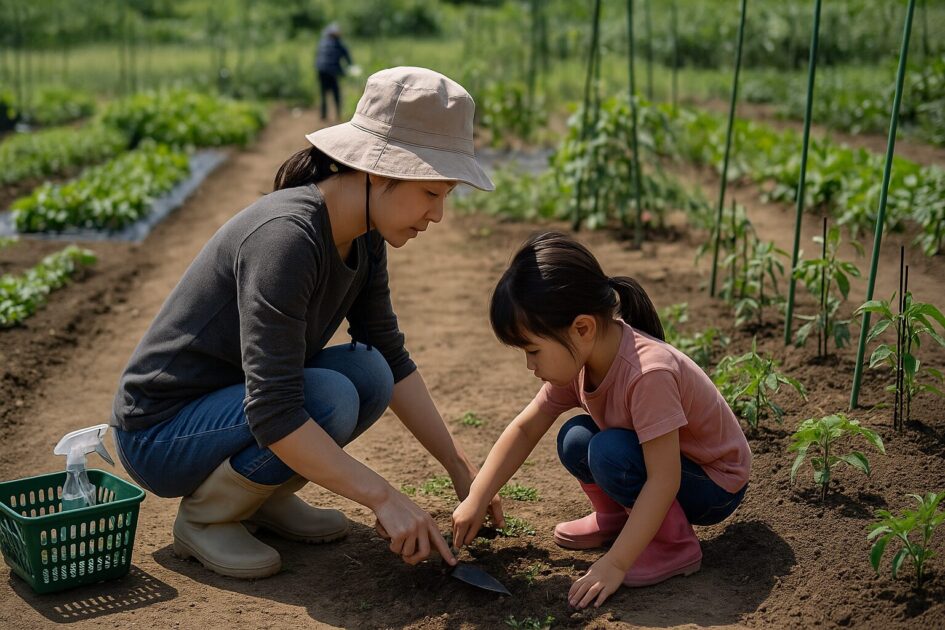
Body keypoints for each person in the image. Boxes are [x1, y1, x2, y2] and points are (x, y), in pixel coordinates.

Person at [109, 66, 503, 579]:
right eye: (432, 193)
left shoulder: (365, 236)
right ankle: (206, 519)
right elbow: (274, 410)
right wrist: (383, 497)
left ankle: (258, 499)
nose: (438, 215)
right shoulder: (287, 238)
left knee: (371, 372)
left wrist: (460, 468)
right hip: (160, 432)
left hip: (230, 406)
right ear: (381, 171)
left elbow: (389, 353)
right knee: (329, 396)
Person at [452, 232, 751, 609]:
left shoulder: (647, 373)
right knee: (576, 438)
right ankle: (615, 518)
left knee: (608, 451)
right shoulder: (584, 358)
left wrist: (616, 564)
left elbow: (665, 478)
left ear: (582, 328)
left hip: (714, 483)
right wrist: (477, 497)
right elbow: (526, 427)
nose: (530, 366)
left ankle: (673, 546)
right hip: (670, 469)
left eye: (532, 350)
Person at [315, 22, 352, 121]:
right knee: (336, 92)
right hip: (331, 71)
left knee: (323, 93)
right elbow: (345, 55)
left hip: (321, 70)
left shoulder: (322, 42)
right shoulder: (337, 43)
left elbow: (318, 56)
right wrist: (349, 67)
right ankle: (338, 115)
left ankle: (323, 116)